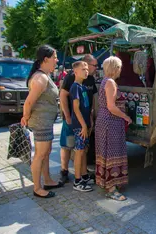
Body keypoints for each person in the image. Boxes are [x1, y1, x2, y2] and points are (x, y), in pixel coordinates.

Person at [21, 45, 62, 198]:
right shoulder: (41, 78)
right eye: (54, 57)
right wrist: (25, 117)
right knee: (40, 154)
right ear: (45, 59)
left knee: (46, 153)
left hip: (46, 121)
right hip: (41, 122)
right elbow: (28, 102)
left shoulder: (44, 75)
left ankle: (48, 180)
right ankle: (37, 188)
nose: (56, 60)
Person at [95, 56, 132, 201]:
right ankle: (111, 189)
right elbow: (111, 106)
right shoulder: (110, 82)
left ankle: (109, 183)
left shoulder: (106, 81)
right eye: (120, 67)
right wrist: (126, 117)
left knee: (106, 153)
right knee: (111, 154)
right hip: (110, 122)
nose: (121, 69)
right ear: (115, 68)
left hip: (107, 121)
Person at [59, 54, 98, 184]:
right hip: (73, 120)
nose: (96, 68)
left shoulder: (90, 79)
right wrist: (68, 116)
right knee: (68, 145)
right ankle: (65, 171)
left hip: (85, 121)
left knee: (82, 149)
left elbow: (92, 98)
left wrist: (91, 117)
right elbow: (63, 95)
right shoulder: (72, 78)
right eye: (94, 65)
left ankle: (84, 173)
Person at [69, 61, 93, 192]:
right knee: (79, 152)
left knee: (84, 151)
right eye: (83, 69)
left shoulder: (83, 87)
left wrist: (89, 122)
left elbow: (87, 107)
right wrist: (83, 125)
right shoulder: (75, 87)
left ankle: (84, 176)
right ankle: (77, 181)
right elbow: (76, 109)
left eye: (87, 69)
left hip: (85, 124)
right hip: (79, 125)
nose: (86, 71)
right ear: (75, 72)